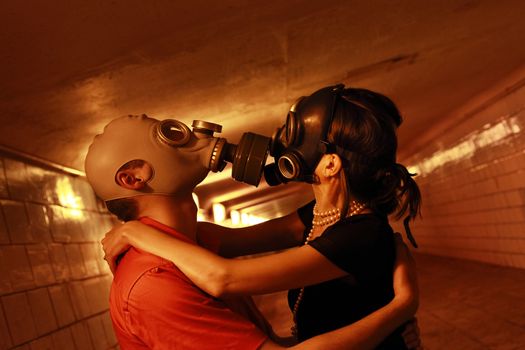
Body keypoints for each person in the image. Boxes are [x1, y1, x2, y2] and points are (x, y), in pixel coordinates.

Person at [101, 85, 422, 349]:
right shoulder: (321, 214)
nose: (284, 140)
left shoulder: (361, 233)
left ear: (330, 165)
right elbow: (224, 240)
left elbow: (225, 277)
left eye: (300, 135)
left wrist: (136, 232)